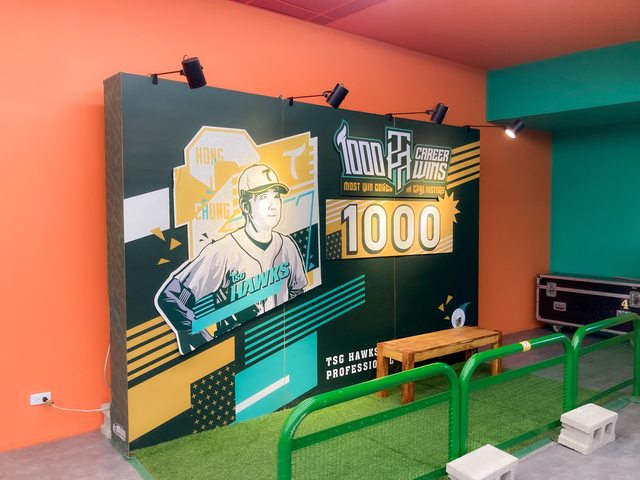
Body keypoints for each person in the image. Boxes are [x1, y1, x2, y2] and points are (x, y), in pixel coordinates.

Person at [155, 164, 308, 355]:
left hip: (279, 352)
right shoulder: (223, 251)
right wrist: (205, 342)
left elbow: (297, 292)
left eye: (276, 196)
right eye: (263, 197)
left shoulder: (288, 246)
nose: (273, 205)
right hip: (239, 356)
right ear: (245, 205)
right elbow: (170, 298)